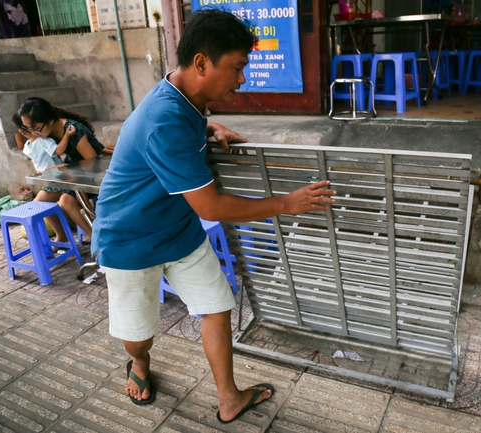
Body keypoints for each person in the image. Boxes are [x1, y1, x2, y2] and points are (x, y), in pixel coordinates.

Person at [91, 8, 336, 422]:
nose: (242, 79)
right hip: (129, 240)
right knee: (139, 335)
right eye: (237, 67)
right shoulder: (164, 119)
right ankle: (139, 363)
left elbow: (183, 133)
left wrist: (210, 127)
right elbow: (212, 206)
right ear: (202, 62)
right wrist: (286, 203)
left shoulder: (186, 98)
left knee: (217, 306)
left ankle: (229, 398)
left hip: (178, 231)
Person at [17, 97, 105, 244]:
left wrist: (64, 169)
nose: (34, 134)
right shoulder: (46, 134)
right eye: (29, 129)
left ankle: (97, 243)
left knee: (66, 201)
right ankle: (62, 236)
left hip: (94, 173)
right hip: (73, 173)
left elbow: (93, 164)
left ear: (49, 120)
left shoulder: (73, 130)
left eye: (36, 128)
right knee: (40, 203)